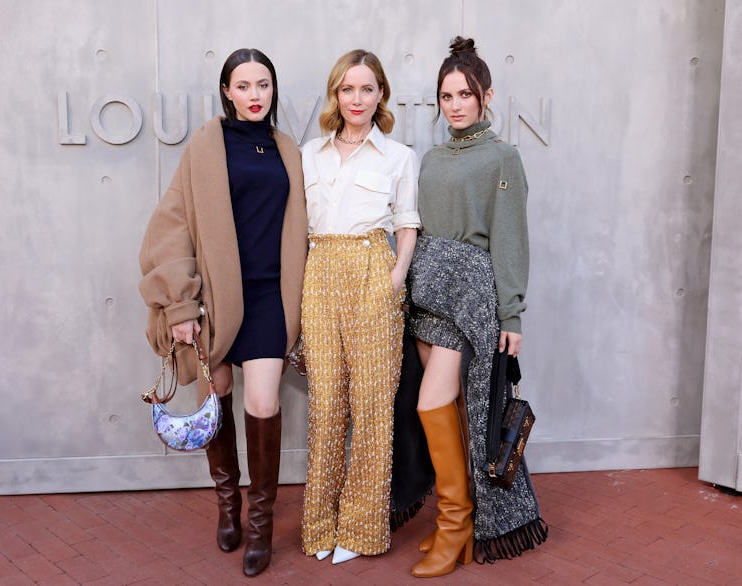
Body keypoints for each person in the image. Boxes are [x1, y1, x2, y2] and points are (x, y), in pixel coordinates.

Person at [138, 48, 307, 577]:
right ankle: (227, 504)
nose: (254, 95)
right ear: (227, 92)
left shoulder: (287, 149)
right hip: (213, 299)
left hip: (269, 299)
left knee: (261, 403)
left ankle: (259, 524)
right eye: (243, 85)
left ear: (273, 90)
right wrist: (182, 304)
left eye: (263, 84)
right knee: (219, 397)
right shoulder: (206, 146)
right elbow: (173, 225)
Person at [406, 37, 546, 578]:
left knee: (432, 403)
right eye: (447, 95)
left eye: (466, 94)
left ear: (487, 96)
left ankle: (456, 522)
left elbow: (511, 238)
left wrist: (511, 315)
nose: (456, 104)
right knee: (453, 413)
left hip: (469, 300)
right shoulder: (435, 157)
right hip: (426, 298)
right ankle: (457, 523)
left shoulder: (502, 157)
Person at [299, 49, 420, 564]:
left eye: (366, 89)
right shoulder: (309, 153)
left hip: (374, 270)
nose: (357, 98)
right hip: (321, 272)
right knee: (327, 405)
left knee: (372, 407)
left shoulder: (399, 156)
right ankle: (320, 524)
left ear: (380, 96)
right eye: (347, 89)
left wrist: (395, 279)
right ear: (336, 94)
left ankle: (363, 528)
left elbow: (407, 224)